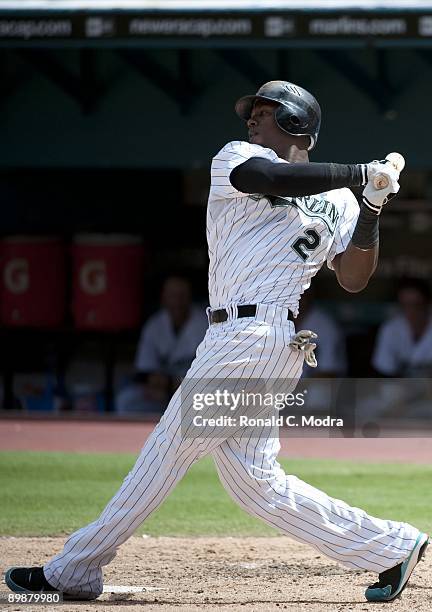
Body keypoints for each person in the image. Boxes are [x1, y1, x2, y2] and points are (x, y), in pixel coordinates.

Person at [6, 80, 427, 604]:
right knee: (256, 484)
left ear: (297, 123)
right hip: (243, 335)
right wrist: (361, 173)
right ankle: (392, 546)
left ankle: (73, 570)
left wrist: (372, 205)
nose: (252, 118)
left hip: (259, 340)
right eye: (252, 111)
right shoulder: (238, 158)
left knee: (164, 455)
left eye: (266, 111)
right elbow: (269, 177)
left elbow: (354, 278)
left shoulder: (341, 199)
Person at [116, 276, 208, 414]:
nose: (177, 302)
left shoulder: (204, 323)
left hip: (194, 391)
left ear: (189, 297)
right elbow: (145, 371)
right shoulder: (154, 326)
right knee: (126, 400)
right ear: (164, 299)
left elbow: (210, 371)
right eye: (172, 296)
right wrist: (162, 384)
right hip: (162, 394)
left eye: (182, 296)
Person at [373, 277, 432, 377]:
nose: (411, 311)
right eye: (406, 305)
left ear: (427, 303)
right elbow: (384, 371)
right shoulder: (390, 329)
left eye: (417, 305)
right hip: (401, 389)